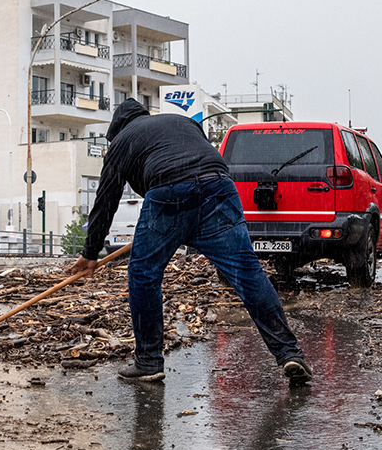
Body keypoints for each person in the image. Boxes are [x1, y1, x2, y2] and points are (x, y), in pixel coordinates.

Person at [70, 99, 312, 385]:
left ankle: (148, 362)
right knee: (247, 272)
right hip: (219, 187)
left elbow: (105, 200)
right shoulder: (181, 122)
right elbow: (198, 158)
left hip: (168, 192)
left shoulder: (123, 140)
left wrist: (90, 252)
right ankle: (289, 353)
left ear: (117, 128)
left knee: (143, 276)